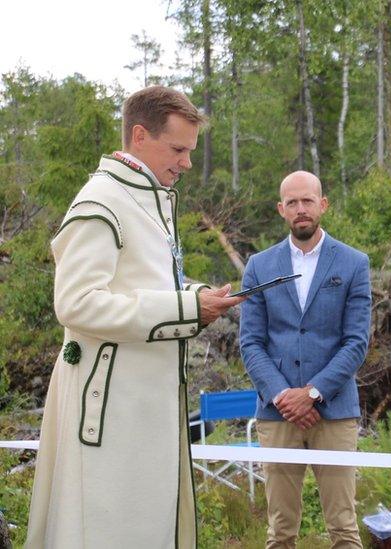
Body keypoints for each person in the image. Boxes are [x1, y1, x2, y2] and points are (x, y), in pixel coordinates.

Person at [26, 86, 245, 547]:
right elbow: (77, 303)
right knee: (109, 531)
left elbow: (138, 287)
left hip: (144, 409)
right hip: (111, 416)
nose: (186, 163)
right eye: (179, 149)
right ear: (140, 136)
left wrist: (195, 294)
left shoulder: (146, 199)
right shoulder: (100, 202)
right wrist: (188, 309)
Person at [240, 171, 371, 549]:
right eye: (292, 203)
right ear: (281, 209)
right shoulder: (259, 266)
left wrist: (313, 393)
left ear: (323, 205)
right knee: (280, 531)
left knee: (344, 528)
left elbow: (356, 342)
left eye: (308, 201)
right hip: (277, 413)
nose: (301, 210)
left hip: (335, 411)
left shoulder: (353, 263)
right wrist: (284, 396)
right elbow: (250, 342)